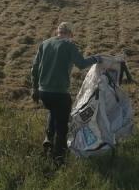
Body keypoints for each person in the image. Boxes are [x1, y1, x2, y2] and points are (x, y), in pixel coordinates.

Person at [31, 22, 100, 164]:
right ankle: (59, 158)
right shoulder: (69, 45)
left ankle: (48, 139)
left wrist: (35, 89)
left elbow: (35, 68)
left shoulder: (44, 44)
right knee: (62, 127)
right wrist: (96, 58)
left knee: (52, 111)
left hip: (44, 92)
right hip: (60, 94)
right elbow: (81, 64)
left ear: (58, 32)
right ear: (70, 34)